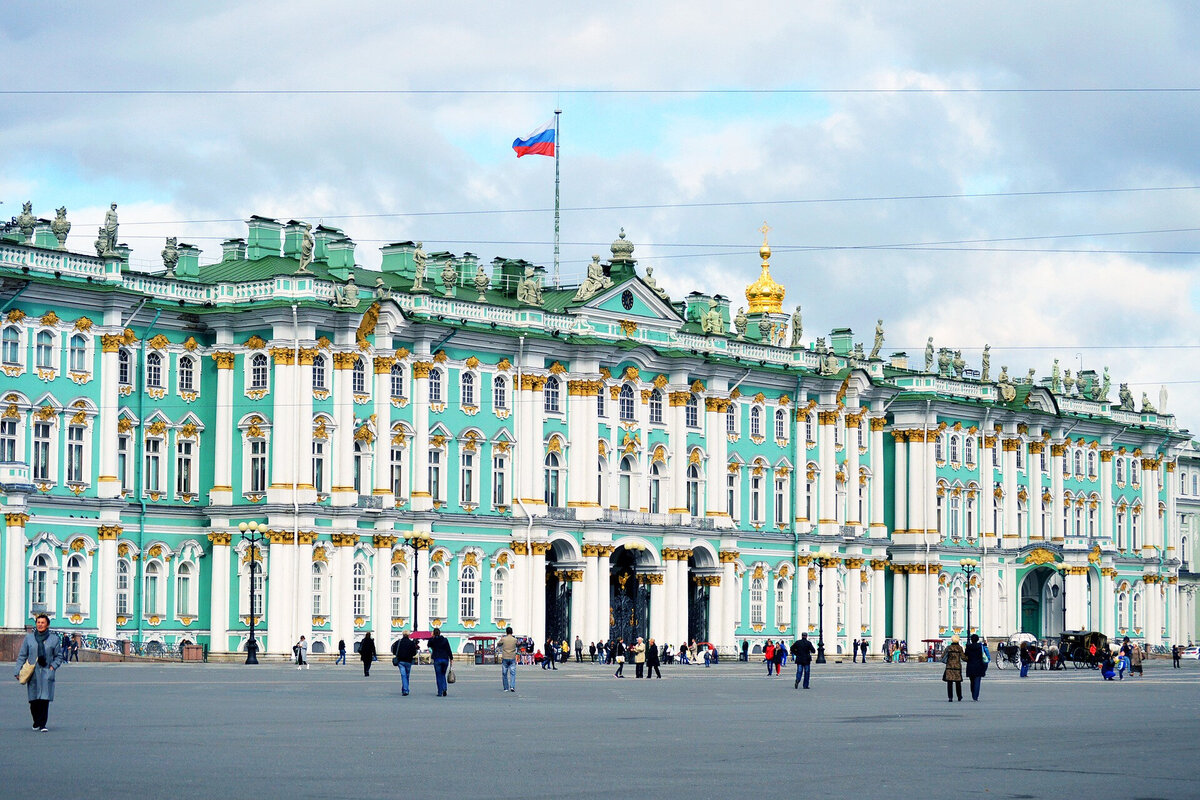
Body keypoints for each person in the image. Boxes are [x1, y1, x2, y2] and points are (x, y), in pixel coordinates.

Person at [15, 614, 66, 731]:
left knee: (44, 699)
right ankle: (36, 721)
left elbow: (59, 656)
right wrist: (17, 670)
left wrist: (53, 666)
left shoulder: (54, 639)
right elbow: (22, 655)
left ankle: (42, 724)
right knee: (33, 700)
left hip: (46, 672)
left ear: (47, 625)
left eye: (43, 622)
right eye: (38, 622)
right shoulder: (29, 638)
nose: (40, 624)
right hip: (32, 672)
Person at [429, 627, 453, 696]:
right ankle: (444, 688)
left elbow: (428, 645)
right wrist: (451, 658)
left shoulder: (433, 640)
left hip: (437, 659)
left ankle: (440, 692)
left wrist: (431, 637)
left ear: (433, 633)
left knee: (438, 675)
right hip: (445, 659)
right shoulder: (445, 640)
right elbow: (448, 649)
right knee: (443, 674)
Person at [391, 630, 417, 696]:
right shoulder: (411, 643)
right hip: (408, 661)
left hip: (401, 661)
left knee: (403, 675)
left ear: (403, 635)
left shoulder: (399, 642)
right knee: (407, 675)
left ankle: (405, 689)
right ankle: (405, 689)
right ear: (409, 635)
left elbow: (393, 650)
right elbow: (414, 653)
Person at [964, 634, 987, 701]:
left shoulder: (968, 647)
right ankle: (975, 696)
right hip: (979, 665)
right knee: (977, 682)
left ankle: (973, 693)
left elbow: (966, 655)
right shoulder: (980, 646)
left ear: (971, 640)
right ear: (977, 639)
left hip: (971, 666)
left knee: (972, 681)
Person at [943, 635, 965, 702]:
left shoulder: (948, 648)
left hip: (949, 667)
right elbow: (963, 657)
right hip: (957, 667)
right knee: (958, 683)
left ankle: (950, 697)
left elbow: (943, 656)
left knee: (949, 683)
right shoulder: (959, 648)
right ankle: (959, 696)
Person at [498, 626, 519, 693]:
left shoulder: (504, 639)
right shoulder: (515, 639)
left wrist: (501, 639)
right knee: (512, 673)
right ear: (512, 632)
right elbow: (518, 645)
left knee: (504, 673)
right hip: (512, 657)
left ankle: (506, 688)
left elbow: (498, 644)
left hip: (505, 657)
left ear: (506, 632)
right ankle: (512, 686)